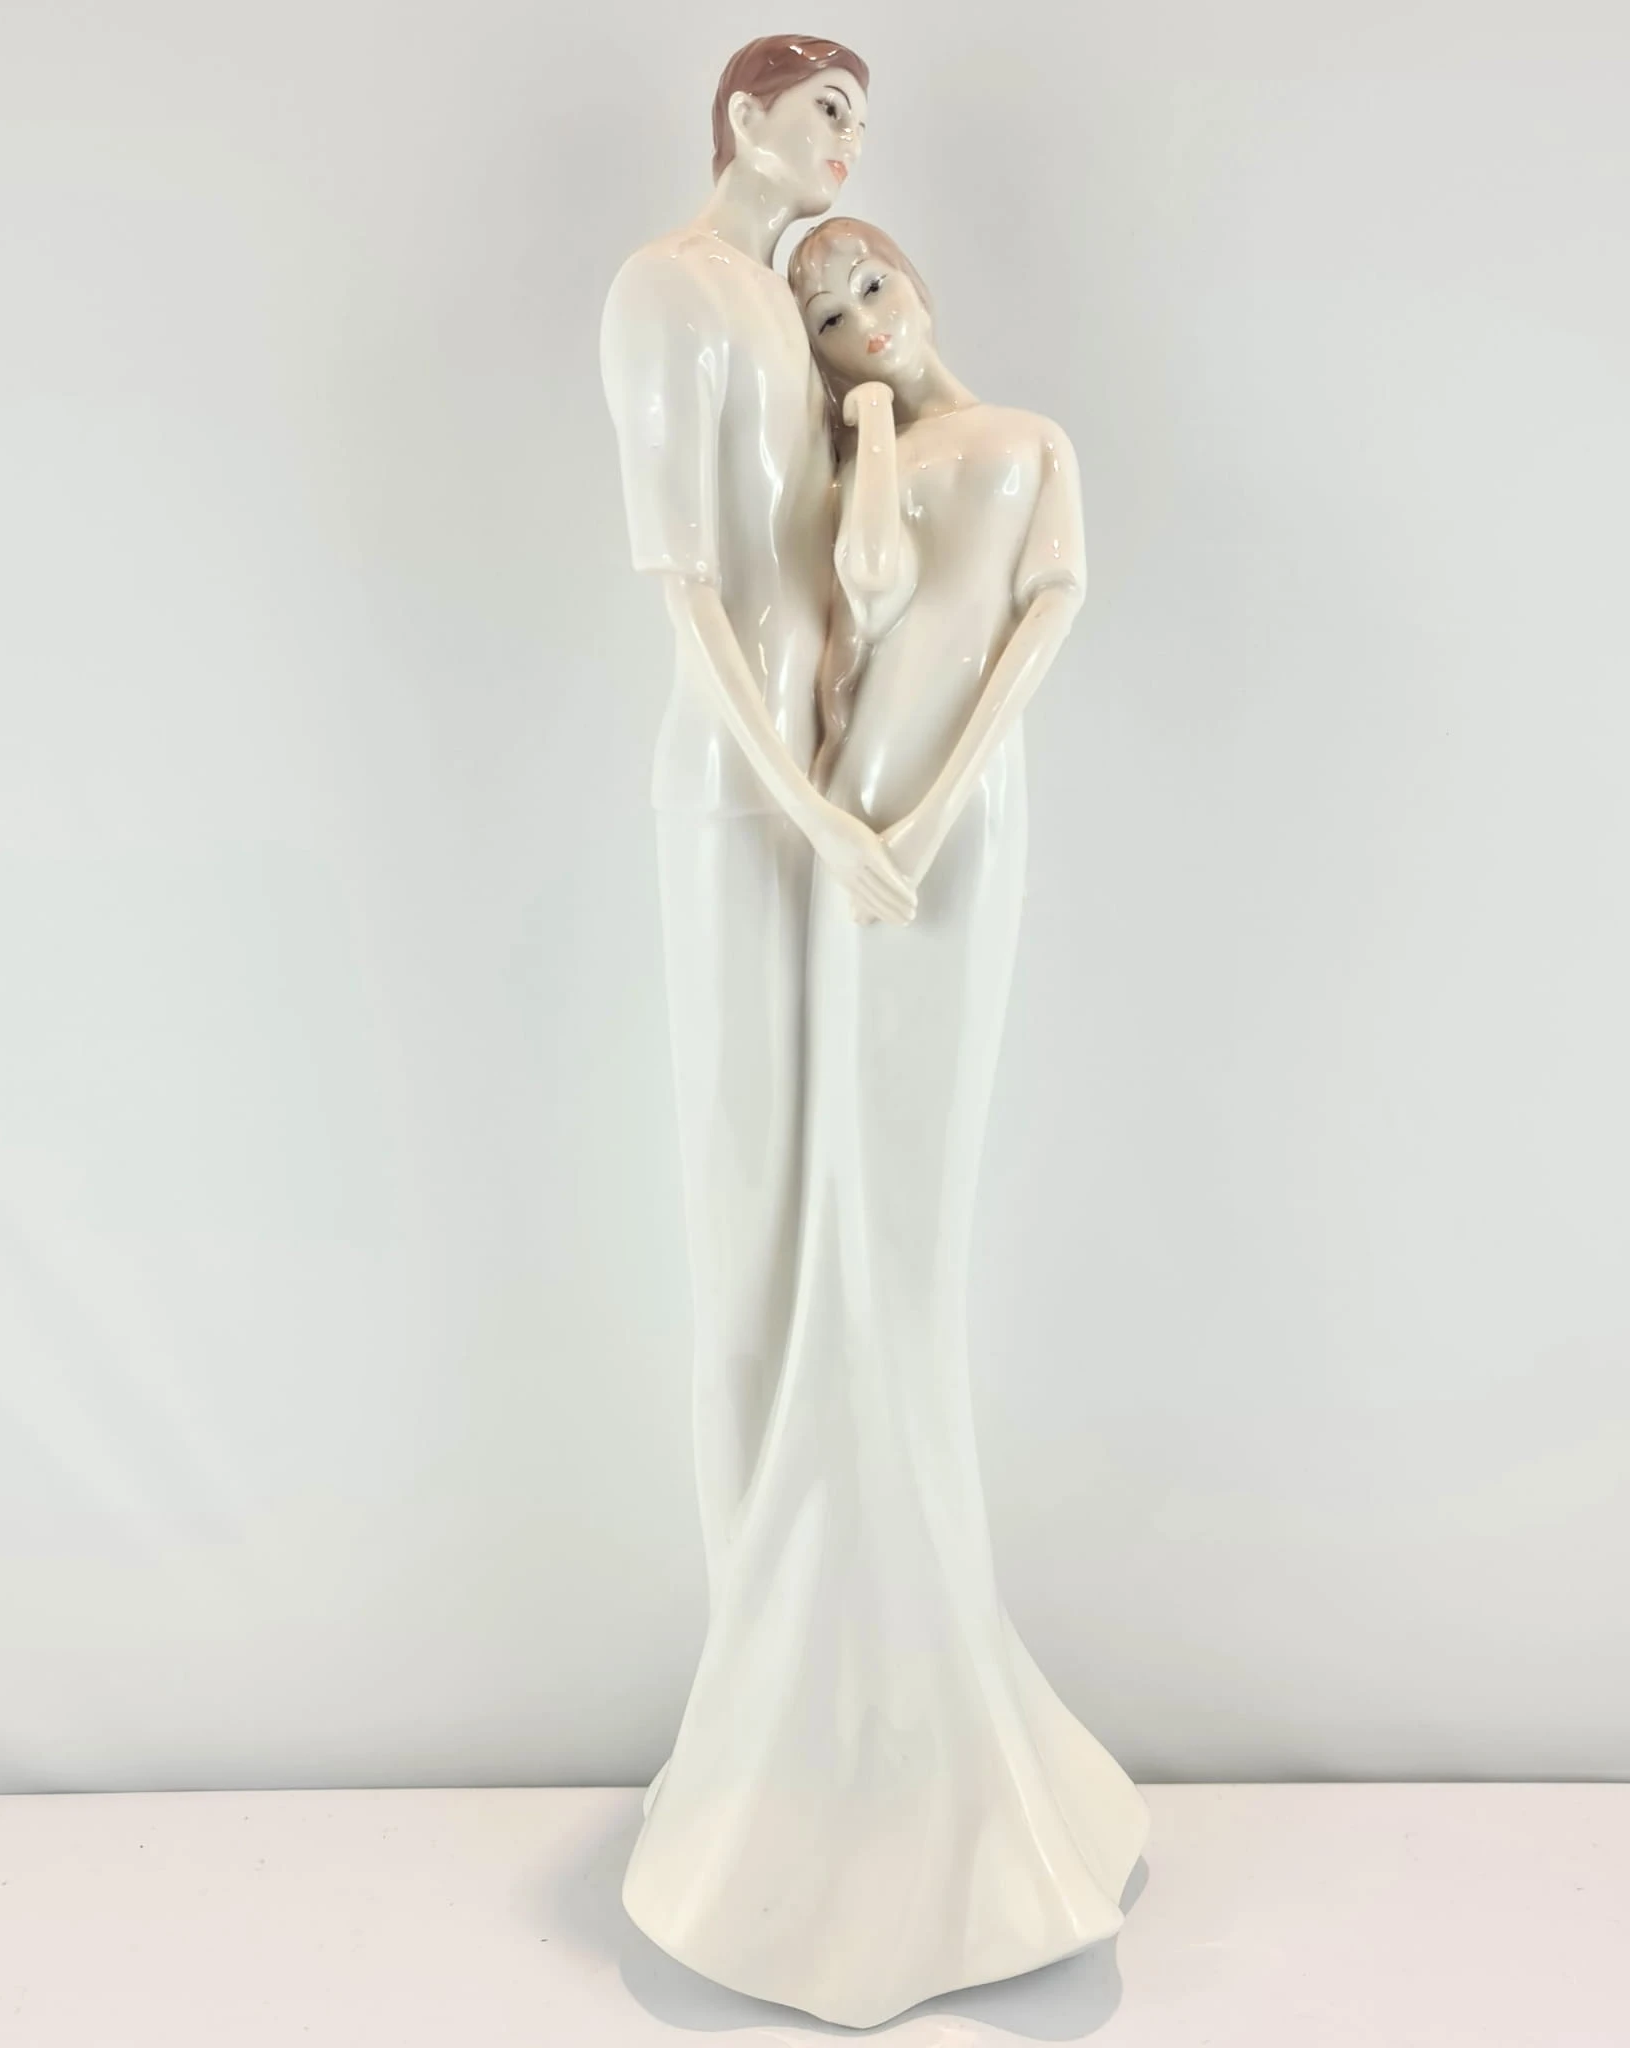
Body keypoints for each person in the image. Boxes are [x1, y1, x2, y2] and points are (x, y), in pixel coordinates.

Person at [616, 214, 1148, 2029]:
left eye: (870, 283)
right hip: (851, 837)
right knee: (842, 1220)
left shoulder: (1030, 445)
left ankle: (943, 1745)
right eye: (828, 314)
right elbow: (861, 612)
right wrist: (857, 432)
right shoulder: (880, 460)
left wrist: (925, 818)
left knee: (905, 1244)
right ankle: (838, 1703)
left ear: (921, 278)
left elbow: (1034, 635)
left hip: (946, 845)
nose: (857, 316)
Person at [599, 37, 914, 1629]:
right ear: (746, 118)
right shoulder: (667, 289)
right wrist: (800, 804)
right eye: (826, 112)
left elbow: (842, 581)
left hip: (829, 794)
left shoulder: (797, 313)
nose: (850, 142)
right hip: (738, 800)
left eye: (862, 118)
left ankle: (818, 1652)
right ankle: (747, 1668)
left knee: (828, 1228)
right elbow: (687, 585)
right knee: (744, 1228)